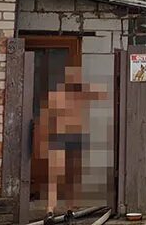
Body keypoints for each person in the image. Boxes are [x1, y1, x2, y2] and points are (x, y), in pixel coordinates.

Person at [37, 66, 106, 224]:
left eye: (77, 77)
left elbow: (103, 94)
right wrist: (43, 143)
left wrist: (85, 88)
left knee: (72, 178)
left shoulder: (82, 96)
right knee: (55, 175)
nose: (74, 80)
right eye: (72, 77)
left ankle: (69, 211)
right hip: (59, 137)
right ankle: (49, 211)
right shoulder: (56, 96)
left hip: (77, 138)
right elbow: (46, 119)